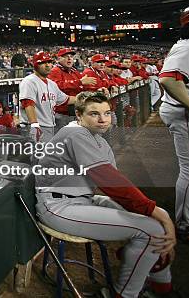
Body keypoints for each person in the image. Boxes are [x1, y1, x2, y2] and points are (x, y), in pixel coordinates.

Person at [35, 91, 177, 298]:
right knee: (152, 228)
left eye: (107, 113)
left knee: (156, 223)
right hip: (58, 207)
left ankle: (161, 285)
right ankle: (124, 294)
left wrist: (155, 214)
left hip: (84, 200)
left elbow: (119, 186)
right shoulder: (74, 133)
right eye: (94, 114)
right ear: (79, 115)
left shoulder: (98, 140)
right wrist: (157, 213)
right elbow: (110, 182)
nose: (103, 119)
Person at [159, 6, 189, 244]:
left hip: (182, 112)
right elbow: (168, 79)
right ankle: (186, 224)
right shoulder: (187, 47)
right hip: (184, 115)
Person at [19, 52, 75, 143]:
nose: (47, 65)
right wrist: (34, 125)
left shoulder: (52, 84)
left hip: (50, 127)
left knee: (47, 155)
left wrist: (87, 96)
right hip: (34, 126)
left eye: (49, 62)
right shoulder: (29, 81)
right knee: (35, 156)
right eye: (43, 63)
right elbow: (28, 103)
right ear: (36, 65)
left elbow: (67, 99)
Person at [48, 48, 97, 132]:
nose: (69, 58)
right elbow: (57, 86)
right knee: (63, 140)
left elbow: (84, 85)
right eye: (66, 56)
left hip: (76, 111)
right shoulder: (55, 71)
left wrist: (97, 90)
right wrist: (79, 82)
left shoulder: (74, 71)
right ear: (59, 59)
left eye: (71, 56)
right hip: (62, 113)